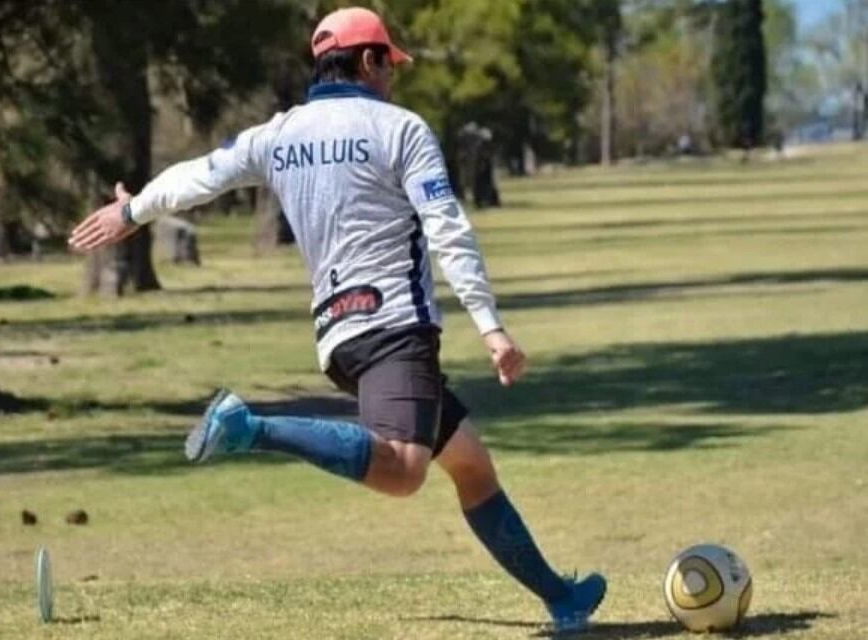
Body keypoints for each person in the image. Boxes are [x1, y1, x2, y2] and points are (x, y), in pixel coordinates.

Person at [68, 7, 605, 632]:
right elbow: (447, 230)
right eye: (390, 65)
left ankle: (561, 600)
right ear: (369, 61)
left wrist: (133, 210)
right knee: (404, 471)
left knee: (469, 464)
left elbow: (199, 178)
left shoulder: (278, 134)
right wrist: (490, 326)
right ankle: (250, 427)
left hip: (339, 337)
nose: (394, 78)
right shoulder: (400, 129)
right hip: (395, 328)